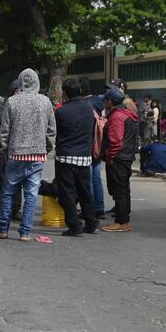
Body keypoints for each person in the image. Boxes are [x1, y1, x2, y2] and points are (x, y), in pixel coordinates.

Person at [0, 68, 56, 242]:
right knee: (31, 195)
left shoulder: (12, 102)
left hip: (15, 155)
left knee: (8, 193)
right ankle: (25, 232)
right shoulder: (45, 102)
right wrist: (46, 148)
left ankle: (3, 229)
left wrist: (6, 149)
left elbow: (4, 131)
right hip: (37, 155)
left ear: (20, 83)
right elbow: (51, 131)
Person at [53, 78, 98, 237]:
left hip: (65, 157)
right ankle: (92, 223)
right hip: (84, 157)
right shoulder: (89, 108)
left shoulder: (61, 111)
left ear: (64, 92)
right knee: (85, 192)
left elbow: (55, 132)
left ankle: (74, 226)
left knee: (67, 194)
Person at [100, 88, 138, 232]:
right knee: (124, 190)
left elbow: (116, 141)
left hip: (118, 158)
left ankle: (121, 222)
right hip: (126, 157)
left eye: (105, 100)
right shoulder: (128, 114)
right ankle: (124, 220)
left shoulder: (117, 117)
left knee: (119, 191)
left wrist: (110, 157)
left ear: (110, 101)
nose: (104, 103)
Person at [0, 80, 22, 221]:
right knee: (3, 179)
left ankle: (12, 210)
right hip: (5, 148)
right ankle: (1, 209)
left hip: (10, 148)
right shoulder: (7, 104)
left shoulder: (12, 104)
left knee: (8, 180)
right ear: (15, 91)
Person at [80, 77, 107, 219]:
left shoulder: (84, 104)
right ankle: (100, 208)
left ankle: (89, 210)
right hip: (100, 144)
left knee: (88, 178)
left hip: (88, 144)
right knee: (96, 178)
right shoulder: (100, 102)